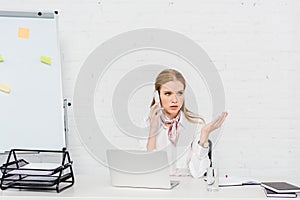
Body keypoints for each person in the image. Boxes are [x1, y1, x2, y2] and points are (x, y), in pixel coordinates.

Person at [146, 69, 228, 178]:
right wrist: (153, 129)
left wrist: (204, 135)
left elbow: (198, 173)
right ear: (157, 96)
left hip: (187, 188)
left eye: (179, 93)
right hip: (159, 188)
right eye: (168, 93)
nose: (175, 100)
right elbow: (148, 170)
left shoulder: (196, 124)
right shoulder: (148, 123)